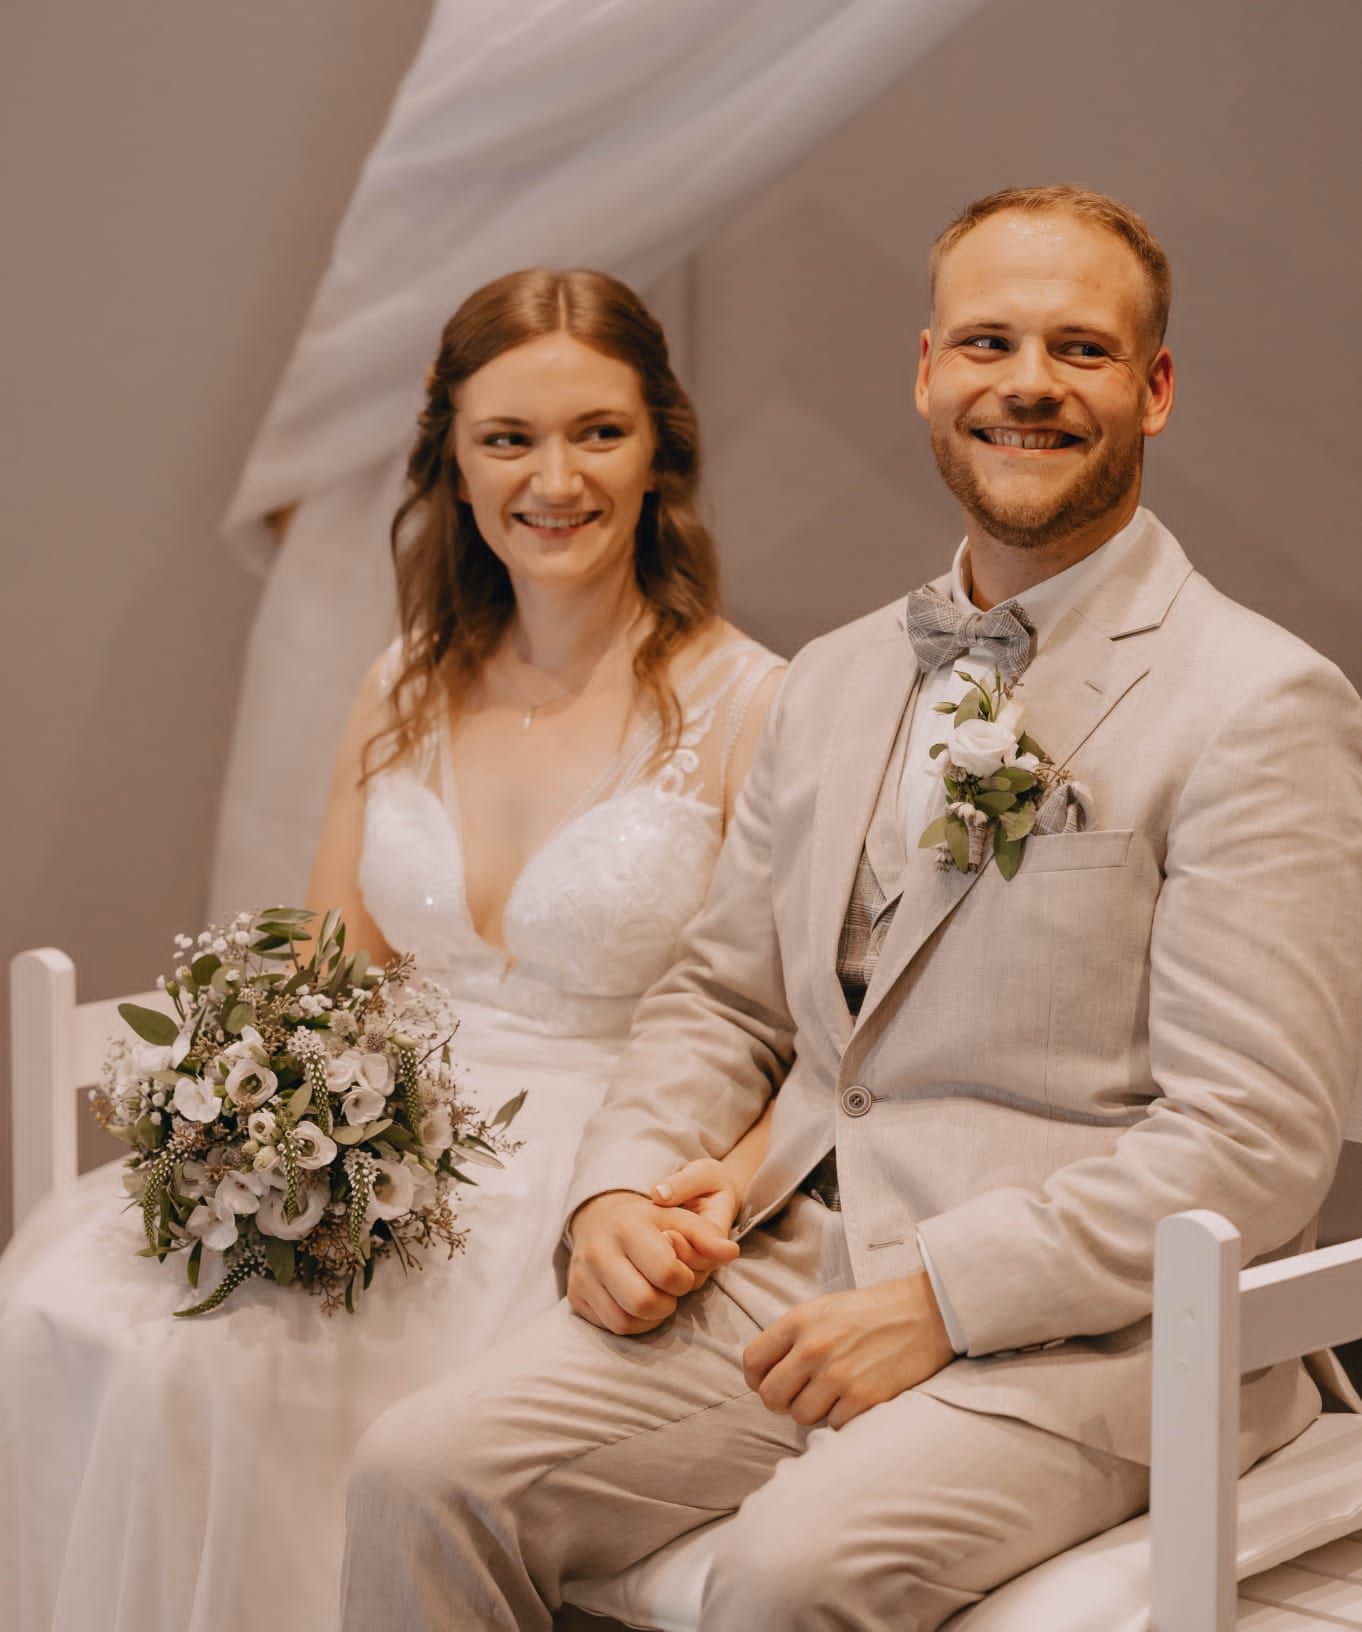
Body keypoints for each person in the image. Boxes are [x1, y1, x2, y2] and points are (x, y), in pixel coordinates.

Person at [340, 185, 1362, 1631]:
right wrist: (618, 1185)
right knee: (418, 1473)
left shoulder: (1261, 703)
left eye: (1078, 349)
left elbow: (1251, 1140)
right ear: (928, 372)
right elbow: (722, 998)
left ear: (1153, 388)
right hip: (788, 1272)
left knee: (784, 1578)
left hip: (1100, 1341)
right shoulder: (831, 676)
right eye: (987, 343)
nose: (1025, 382)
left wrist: (942, 1297)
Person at [0, 267, 782, 1632]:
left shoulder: (755, 703)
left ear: (660, 450)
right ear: (453, 463)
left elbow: (792, 1030)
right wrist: (257, 1131)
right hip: (380, 1149)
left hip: (591, 1173)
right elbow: (326, 972)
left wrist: (710, 1195)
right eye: (508, 438)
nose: (555, 479)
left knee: (230, 1383)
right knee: (65, 1312)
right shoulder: (404, 678)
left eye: (598, 432)